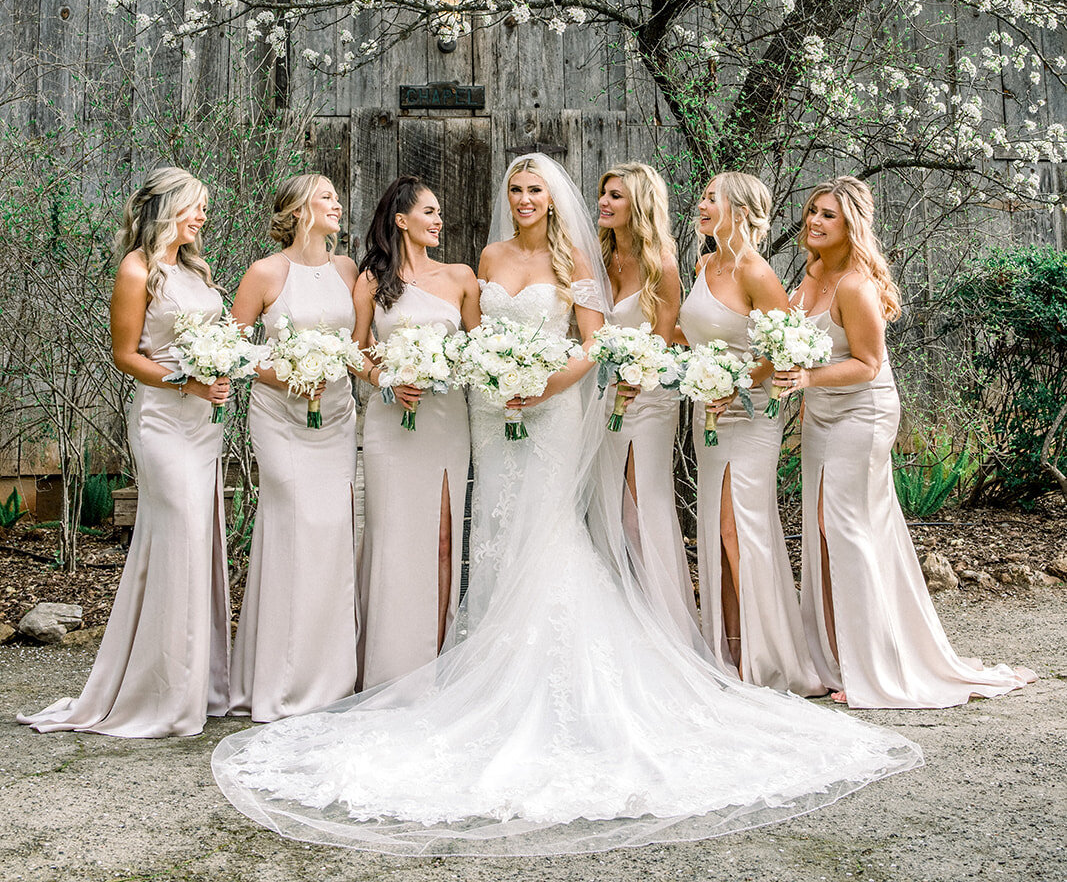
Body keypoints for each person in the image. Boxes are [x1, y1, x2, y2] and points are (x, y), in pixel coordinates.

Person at [211, 155, 920, 856]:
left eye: (535, 190)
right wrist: (485, 372)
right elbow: (467, 337)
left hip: (548, 410)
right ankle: (480, 657)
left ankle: (556, 668)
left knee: (546, 532)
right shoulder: (484, 258)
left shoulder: (574, 256)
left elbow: (594, 344)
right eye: (515, 189)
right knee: (493, 529)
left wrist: (546, 386)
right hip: (491, 413)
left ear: (553, 200)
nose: (524, 199)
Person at [787, 175, 1035, 709]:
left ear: (850, 224)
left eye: (827, 215)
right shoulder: (807, 280)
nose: (813, 221)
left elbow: (868, 364)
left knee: (847, 528)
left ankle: (872, 665)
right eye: (811, 211)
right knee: (821, 527)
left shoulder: (855, 285)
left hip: (862, 411)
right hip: (819, 413)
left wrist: (806, 379)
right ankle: (831, 657)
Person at [21, 168, 230, 737]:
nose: (203, 217)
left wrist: (222, 361)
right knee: (180, 534)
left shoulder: (193, 270)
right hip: (164, 421)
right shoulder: (136, 270)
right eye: (197, 207)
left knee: (195, 542)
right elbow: (126, 354)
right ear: (169, 207)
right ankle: (162, 693)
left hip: (203, 420)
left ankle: (193, 683)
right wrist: (185, 380)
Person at [678, 173, 823, 693]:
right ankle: (730, 649)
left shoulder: (755, 272)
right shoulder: (704, 264)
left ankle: (763, 661)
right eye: (703, 195)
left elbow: (786, 346)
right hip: (708, 412)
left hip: (750, 414)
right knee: (719, 531)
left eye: (711, 197)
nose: (701, 203)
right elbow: (691, 333)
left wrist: (738, 383)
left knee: (740, 527)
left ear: (739, 210)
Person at [228, 174, 360, 721]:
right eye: (326, 197)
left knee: (331, 532)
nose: (336, 204)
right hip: (279, 417)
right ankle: (278, 681)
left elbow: (358, 344)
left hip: (336, 416)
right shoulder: (265, 272)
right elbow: (230, 351)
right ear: (302, 209)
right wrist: (286, 377)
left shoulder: (347, 269)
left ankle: (329, 678)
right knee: (292, 526)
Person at [353, 176, 478, 687]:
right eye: (428, 212)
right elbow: (355, 350)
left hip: (447, 421)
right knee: (393, 537)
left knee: (445, 538)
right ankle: (389, 666)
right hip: (391, 424)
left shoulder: (461, 277)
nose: (438, 220)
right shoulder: (371, 280)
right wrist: (387, 379)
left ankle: (439, 662)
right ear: (401, 220)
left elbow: (477, 348)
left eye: (440, 212)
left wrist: (453, 366)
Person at [596, 161, 696, 634]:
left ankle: (663, 625)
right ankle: (617, 621)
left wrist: (635, 377)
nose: (604, 202)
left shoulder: (662, 264)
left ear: (638, 203)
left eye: (616, 196)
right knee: (606, 507)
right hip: (600, 395)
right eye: (604, 193)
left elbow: (659, 339)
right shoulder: (596, 258)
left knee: (642, 506)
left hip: (648, 396)